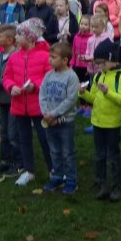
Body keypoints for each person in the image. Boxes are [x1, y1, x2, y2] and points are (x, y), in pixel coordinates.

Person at [4, 21, 52, 187]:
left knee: (45, 138)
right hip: (19, 106)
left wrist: (35, 86)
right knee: (23, 139)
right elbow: (7, 76)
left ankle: (53, 169)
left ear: (30, 37)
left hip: (38, 106)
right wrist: (11, 87)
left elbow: (49, 77)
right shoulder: (14, 57)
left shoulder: (44, 56)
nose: (16, 37)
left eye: (19, 34)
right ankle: (28, 170)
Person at [81, 38, 121, 201]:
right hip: (98, 121)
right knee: (99, 155)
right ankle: (100, 182)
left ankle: (116, 186)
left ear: (111, 59)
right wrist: (83, 94)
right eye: (98, 64)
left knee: (113, 155)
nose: (100, 67)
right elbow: (94, 98)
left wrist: (108, 92)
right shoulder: (98, 76)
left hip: (112, 123)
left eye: (102, 63)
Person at [38, 41, 80, 194]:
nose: (50, 59)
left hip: (64, 122)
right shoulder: (48, 75)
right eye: (50, 56)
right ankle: (57, 177)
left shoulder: (71, 77)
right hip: (49, 121)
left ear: (64, 60)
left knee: (67, 152)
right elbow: (42, 94)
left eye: (53, 57)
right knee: (54, 151)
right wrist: (45, 113)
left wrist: (54, 114)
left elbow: (70, 100)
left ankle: (71, 180)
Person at [0, 25, 23, 178]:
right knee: (4, 132)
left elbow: (15, 77)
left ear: (9, 40)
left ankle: (18, 163)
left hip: (12, 99)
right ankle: (5, 161)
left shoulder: (16, 55)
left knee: (13, 132)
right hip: (1, 99)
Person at [71, 14, 93, 86]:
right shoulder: (76, 36)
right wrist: (72, 64)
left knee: (86, 84)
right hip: (77, 65)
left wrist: (89, 66)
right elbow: (74, 51)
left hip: (87, 67)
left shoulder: (91, 38)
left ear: (90, 26)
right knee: (77, 83)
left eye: (86, 24)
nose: (83, 26)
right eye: (81, 24)